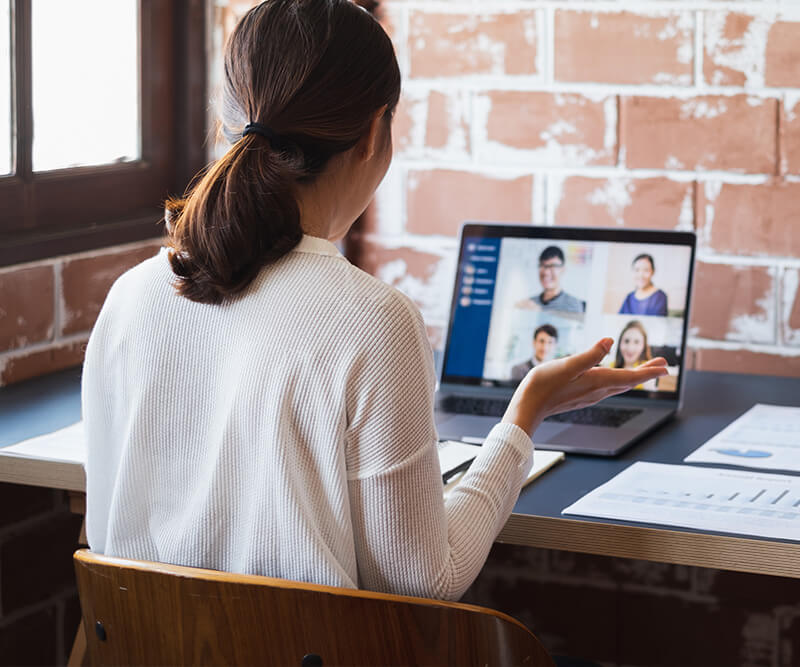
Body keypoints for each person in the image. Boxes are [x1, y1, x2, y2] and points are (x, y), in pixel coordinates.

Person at [82, 0, 668, 603]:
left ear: (228, 120)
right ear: (372, 135)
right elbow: (423, 582)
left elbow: (103, 532)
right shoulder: (373, 322)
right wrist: (522, 420)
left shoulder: (132, 297)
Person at [516, 246, 586, 313]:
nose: (546, 272)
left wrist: (537, 314)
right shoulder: (529, 303)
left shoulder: (573, 305)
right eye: (542, 266)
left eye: (552, 266)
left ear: (563, 269)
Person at [611, 320, 659, 391]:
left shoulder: (648, 374)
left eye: (637, 342)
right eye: (626, 341)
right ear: (620, 343)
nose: (630, 348)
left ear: (643, 346)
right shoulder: (610, 368)